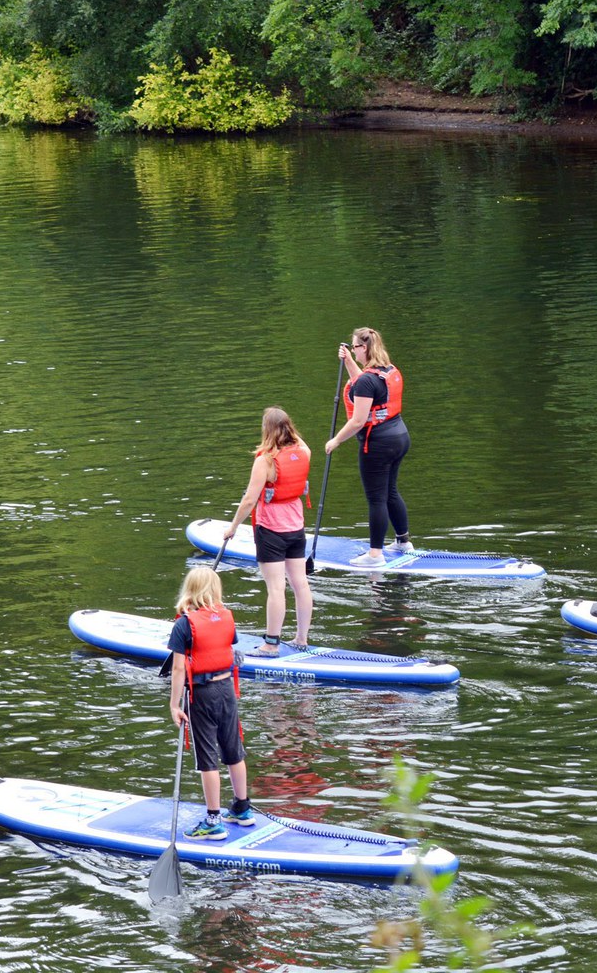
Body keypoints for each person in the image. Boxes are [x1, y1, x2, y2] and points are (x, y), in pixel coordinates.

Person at [167, 566, 253, 839]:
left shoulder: (184, 623)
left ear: (189, 590)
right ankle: (242, 808)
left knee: (207, 756)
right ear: (215, 590)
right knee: (233, 749)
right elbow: (228, 646)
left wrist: (174, 705)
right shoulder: (227, 617)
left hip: (202, 694)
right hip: (227, 689)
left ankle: (213, 819)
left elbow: (179, 669)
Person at [223, 407, 312, 655]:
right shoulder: (304, 452)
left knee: (275, 587)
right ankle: (301, 639)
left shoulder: (265, 461)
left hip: (271, 530)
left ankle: (271, 644)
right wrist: (287, 426)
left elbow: (250, 499)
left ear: (267, 430)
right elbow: (298, 443)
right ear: (289, 428)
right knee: (300, 583)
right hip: (296, 528)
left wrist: (232, 527)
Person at [325, 328, 412, 567]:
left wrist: (336, 440)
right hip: (399, 437)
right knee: (390, 491)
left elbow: (358, 421)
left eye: (355, 347)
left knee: (376, 499)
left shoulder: (366, 381)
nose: (353, 350)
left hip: (378, 445)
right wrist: (350, 362)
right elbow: (362, 383)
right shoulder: (388, 370)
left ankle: (375, 555)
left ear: (366, 348)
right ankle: (403, 542)